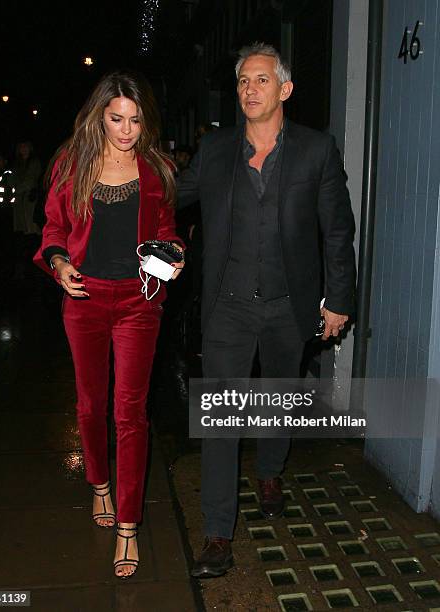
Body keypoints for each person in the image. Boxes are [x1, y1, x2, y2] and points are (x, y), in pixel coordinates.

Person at [177, 42, 356, 578]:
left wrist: (339, 300)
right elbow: (167, 195)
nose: (248, 90)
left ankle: (271, 470)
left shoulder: (315, 150)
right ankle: (216, 533)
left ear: (284, 89)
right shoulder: (215, 151)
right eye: (242, 82)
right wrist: (116, 172)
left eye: (260, 80)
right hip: (228, 308)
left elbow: (338, 232)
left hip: (288, 305)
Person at [33, 70, 185, 578]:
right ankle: (98, 483)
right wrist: (58, 262)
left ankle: (129, 525)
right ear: (100, 115)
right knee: (91, 402)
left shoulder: (155, 168)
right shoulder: (72, 164)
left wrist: (174, 254)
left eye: (135, 120)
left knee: (130, 412)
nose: (126, 130)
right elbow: (53, 227)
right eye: (117, 118)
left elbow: (167, 231)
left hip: (139, 302)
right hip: (85, 297)